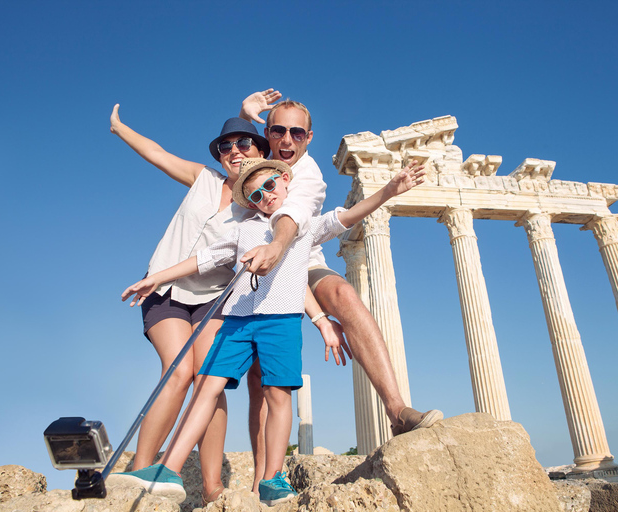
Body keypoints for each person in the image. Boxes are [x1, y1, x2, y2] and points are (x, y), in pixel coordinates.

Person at [111, 156, 427, 506]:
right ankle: (167, 468)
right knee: (207, 388)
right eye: (256, 195)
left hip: (282, 322)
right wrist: (156, 277)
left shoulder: (303, 224)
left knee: (279, 396)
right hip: (237, 320)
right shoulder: (241, 230)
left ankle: (272, 477)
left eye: (269, 187)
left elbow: (345, 217)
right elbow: (201, 260)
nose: (265, 197)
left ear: (285, 180)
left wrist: (388, 191)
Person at [109, 107, 349, 504]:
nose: (234, 151)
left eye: (243, 144)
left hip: (213, 300)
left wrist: (320, 317)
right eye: (225, 146)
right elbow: (157, 154)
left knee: (210, 379)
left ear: (260, 151)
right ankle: (144, 469)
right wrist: (120, 129)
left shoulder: (261, 209)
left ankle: (212, 488)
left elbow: (287, 269)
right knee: (180, 367)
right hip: (167, 289)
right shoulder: (203, 179)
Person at [237, 93, 443, 468]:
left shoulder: (310, 174)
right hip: (248, 262)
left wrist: (279, 246)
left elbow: (297, 217)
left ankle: (396, 411)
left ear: (309, 137)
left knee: (344, 294)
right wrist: (243, 114)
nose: (287, 141)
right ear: (268, 133)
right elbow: (237, 151)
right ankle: (261, 477)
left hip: (298, 253)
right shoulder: (261, 154)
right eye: (278, 131)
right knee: (258, 379)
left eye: (296, 133)